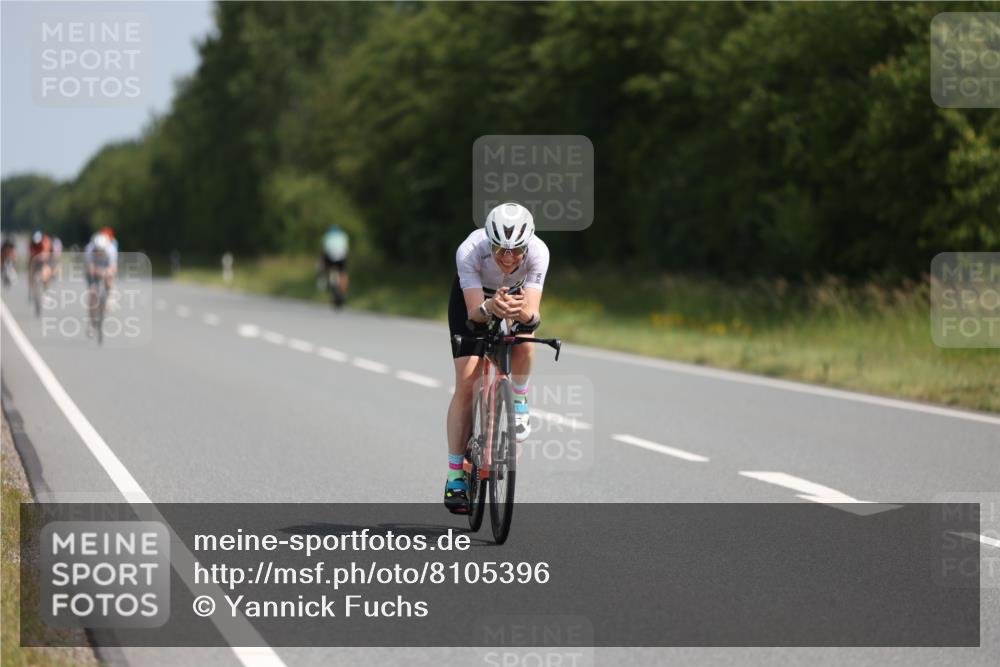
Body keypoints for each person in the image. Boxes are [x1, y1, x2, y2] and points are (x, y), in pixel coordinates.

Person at [444, 202, 549, 513]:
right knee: (467, 382)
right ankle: (455, 476)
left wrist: (523, 313)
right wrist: (489, 308)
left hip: (515, 295)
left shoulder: (539, 252)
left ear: (527, 245)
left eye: (516, 250)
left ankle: (519, 398)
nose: (508, 257)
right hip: (475, 300)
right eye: (500, 249)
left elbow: (534, 314)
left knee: (525, 338)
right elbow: (474, 313)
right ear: (488, 242)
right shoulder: (469, 251)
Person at [84, 231, 118, 334]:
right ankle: (91, 323)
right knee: (92, 293)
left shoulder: (111, 249)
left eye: (101, 251)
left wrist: (107, 273)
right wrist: (99, 272)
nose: (99, 253)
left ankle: (109, 297)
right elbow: (90, 268)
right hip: (94, 270)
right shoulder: (89, 249)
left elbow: (113, 267)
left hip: (106, 267)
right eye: (97, 250)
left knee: (110, 279)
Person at [320, 224, 350, 307]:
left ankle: (328, 280)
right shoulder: (343, 235)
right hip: (341, 257)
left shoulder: (327, 236)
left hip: (330, 257)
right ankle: (344, 290)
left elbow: (323, 250)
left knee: (326, 267)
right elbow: (347, 248)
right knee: (343, 273)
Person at [28, 230, 53, 299]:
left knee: (47, 272)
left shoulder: (46, 241)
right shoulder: (32, 243)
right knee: (31, 271)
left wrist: (41, 258)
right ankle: (31, 290)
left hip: (47, 257)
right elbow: (31, 254)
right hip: (36, 258)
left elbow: (46, 253)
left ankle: (47, 292)